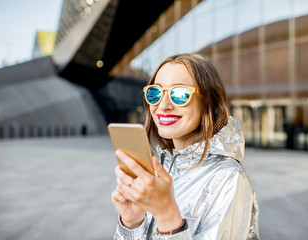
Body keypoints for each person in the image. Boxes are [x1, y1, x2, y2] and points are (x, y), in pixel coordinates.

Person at [111, 53, 259, 239]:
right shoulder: (157, 168)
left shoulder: (228, 178)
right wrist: (132, 225)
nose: (163, 105)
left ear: (207, 102)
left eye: (179, 94)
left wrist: (167, 216)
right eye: (155, 93)